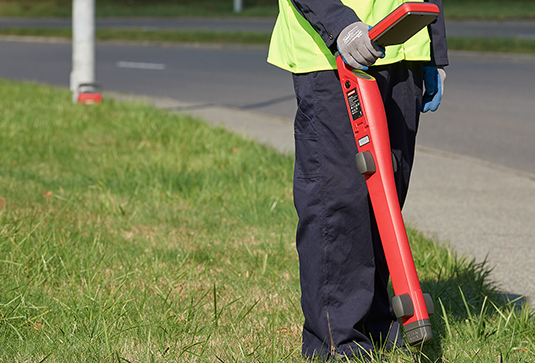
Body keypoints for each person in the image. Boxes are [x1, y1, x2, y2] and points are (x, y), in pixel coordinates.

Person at [267, 0, 448, 360]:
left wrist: (434, 49)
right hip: (333, 51)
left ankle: (377, 321)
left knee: (387, 195)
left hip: (403, 46)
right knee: (339, 199)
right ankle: (337, 339)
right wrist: (340, 25)